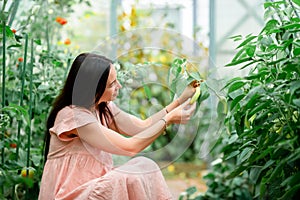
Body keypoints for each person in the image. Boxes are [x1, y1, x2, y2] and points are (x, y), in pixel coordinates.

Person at [38, 52, 198, 200]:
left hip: (94, 189)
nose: (119, 86)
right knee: (124, 176)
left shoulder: (102, 108)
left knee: (145, 165)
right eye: (112, 84)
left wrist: (180, 100)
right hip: (72, 195)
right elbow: (130, 147)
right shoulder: (73, 117)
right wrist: (168, 119)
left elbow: (142, 126)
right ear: (93, 90)